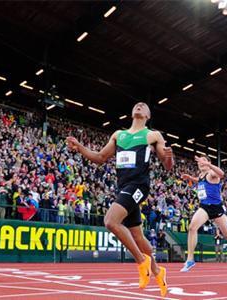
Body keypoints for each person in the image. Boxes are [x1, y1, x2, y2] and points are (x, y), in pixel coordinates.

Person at [67, 102, 173, 296]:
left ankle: (142, 262)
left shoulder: (152, 135)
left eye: (144, 105)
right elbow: (100, 157)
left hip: (139, 186)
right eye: (137, 104)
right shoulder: (118, 135)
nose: (139, 105)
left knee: (110, 221)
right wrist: (80, 147)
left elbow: (167, 165)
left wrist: (169, 157)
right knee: (138, 236)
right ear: (132, 112)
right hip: (124, 188)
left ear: (148, 115)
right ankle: (158, 271)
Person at [180, 155, 227, 272]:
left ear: (208, 163)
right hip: (205, 207)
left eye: (203, 161)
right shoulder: (201, 175)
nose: (200, 163)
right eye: (199, 162)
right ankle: (190, 260)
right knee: (192, 228)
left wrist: (208, 165)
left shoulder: (212, 173)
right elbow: (199, 180)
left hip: (217, 209)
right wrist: (190, 177)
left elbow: (221, 174)